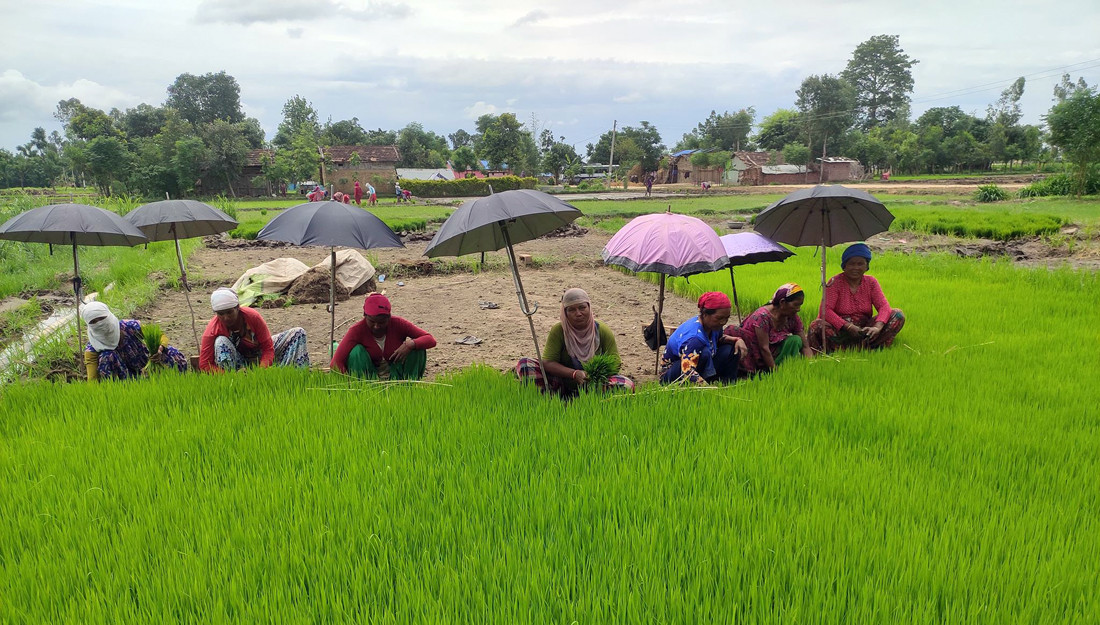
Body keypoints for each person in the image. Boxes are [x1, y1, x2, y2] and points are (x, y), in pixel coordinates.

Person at [515, 288, 635, 396]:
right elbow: (547, 362)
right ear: (565, 313)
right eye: (571, 310)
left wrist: (594, 375)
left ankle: (591, 401)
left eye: (582, 307)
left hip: (595, 385)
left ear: (589, 307)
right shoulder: (559, 331)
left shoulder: (602, 330)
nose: (578, 313)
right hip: (562, 383)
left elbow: (615, 360)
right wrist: (574, 374)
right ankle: (554, 400)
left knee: (626, 384)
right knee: (525, 364)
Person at [808, 243, 906, 353]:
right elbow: (825, 310)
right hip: (840, 330)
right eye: (851, 264)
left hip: (864, 330)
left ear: (866, 266)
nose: (855, 268)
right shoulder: (834, 282)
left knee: (897, 314)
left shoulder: (871, 282)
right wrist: (848, 327)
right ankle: (841, 350)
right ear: (844, 266)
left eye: (860, 264)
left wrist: (877, 327)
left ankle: (871, 348)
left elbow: (883, 306)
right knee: (817, 325)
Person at [199, 288, 309, 372]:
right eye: (221, 314)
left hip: (259, 352)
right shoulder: (212, 330)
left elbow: (268, 348)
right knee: (220, 342)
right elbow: (204, 364)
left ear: (238, 308)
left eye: (229, 312)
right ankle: (231, 380)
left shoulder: (253, 317)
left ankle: (287, 375)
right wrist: (226, 375)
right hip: (237, 361)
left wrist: (260, 371)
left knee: (298, 333)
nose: (226, 318)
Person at [330, 293, 436, 380]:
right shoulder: (356, 330)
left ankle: (408, 388)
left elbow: (430, 339)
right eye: (372, 321)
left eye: (382, 322)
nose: (376, 326)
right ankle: (364, 388)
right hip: (369, 377)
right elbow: (336, 362)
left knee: (418, 349)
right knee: (356, 352)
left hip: (396, 373)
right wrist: (347, 384)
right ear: (365, 316)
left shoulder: (398, 324)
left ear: (389, 318)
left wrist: (410, 344)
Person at [81, 302, 188, 381]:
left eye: (101, 318)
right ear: (89, 325)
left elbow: (160, 336)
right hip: (128, 378)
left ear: (108, 315)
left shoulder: (130, 326)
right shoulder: (92, 348)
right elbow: (93, 380)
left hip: (149, 362)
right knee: (106, 356)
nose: (99, 323)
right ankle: (123, 391)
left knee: (172, 353)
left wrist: (160, 349)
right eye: (94, 322)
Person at [724, 283, 813, 376]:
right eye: (796, 305)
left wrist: (810, 367)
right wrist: (775, 373)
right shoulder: (762, 317)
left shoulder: (792, 317)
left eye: (800, 305)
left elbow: (805, 346)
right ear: (782, 302)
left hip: (773, 352)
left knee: (795, 340)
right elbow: (764, 348)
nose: (798, 309)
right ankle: (770, 373)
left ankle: (786, 370)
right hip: (755, 355)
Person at [660, 292, 747, 385]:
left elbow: (718, 339)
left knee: (732, 349)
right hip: (675, 372)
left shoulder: (714, 326)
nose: (723, 322)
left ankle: (727, 384)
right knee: (704, 352)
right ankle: (705, 385)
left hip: (698, 363)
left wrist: (737, 340)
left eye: (727, 318)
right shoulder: (694, 338)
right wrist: (708, 389)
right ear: (705, 314)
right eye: (719, 318)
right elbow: (687, 371)